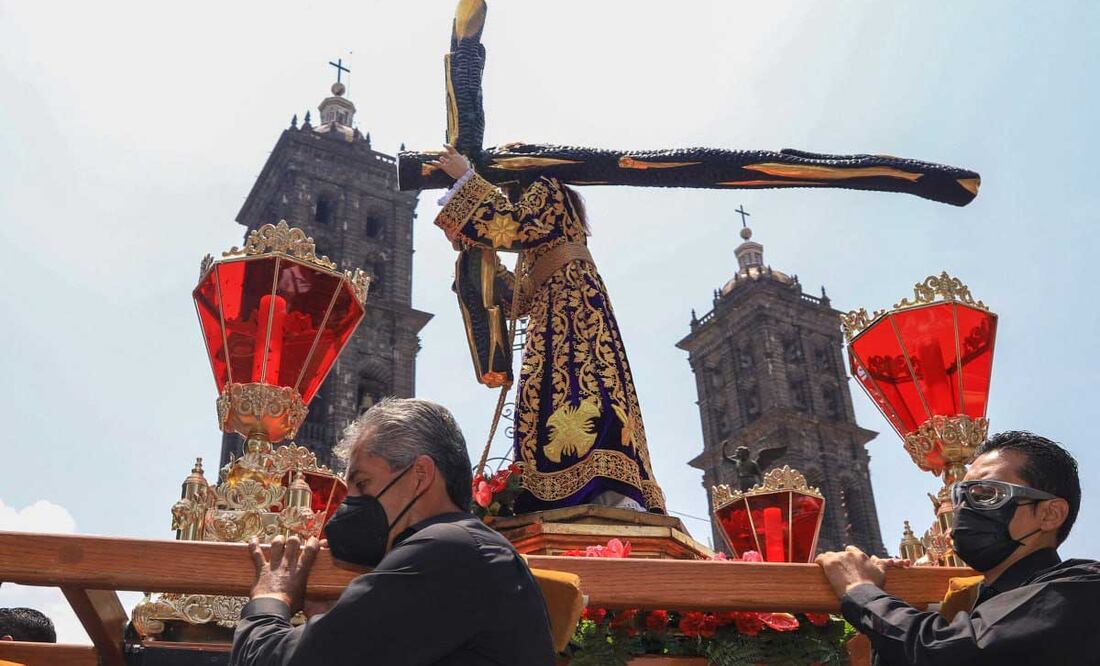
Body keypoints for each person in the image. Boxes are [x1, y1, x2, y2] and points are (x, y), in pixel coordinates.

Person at [230, 397, 556, 666]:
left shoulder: (444, 550)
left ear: (419, 475)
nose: (349, 505)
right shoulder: (463, 550)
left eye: (362, 484)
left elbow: (269, 662)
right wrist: (329, 624)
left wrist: (271, 596)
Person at [432, 144, 666, 514]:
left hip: (574, 310)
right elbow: (517, 299)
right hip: (551, 314)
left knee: (586, 387)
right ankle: (551, 488)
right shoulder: (537, 243)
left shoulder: (547, 187)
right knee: (545, 399)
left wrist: (465, 180)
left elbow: (514, 227)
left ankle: (603, 486)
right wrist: (476, 256)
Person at [815, 431, 1100, 664]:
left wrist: (860, 590)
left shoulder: (1082, 587)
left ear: (1050, 514)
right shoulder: (967, 602)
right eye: (960, 496)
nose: (962, 510)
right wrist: (894, 592)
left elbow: (947, 652)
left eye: (986, 495)